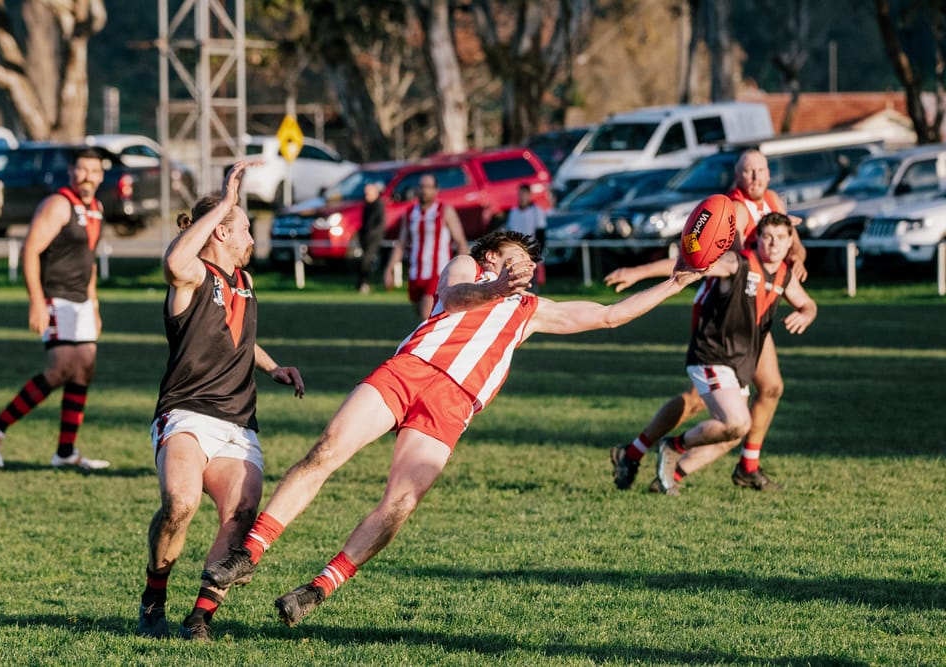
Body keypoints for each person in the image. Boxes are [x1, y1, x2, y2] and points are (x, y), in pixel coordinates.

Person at [200, 230, 703, 627]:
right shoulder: (471, 266)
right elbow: (456, 294)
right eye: (514, 254)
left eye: (529, 262)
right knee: (327, 450)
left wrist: (675, 283)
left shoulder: (532, 311)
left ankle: (318, 588)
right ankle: (250, 554)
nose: (523, 264)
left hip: (453, 403)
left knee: (400, 503)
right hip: (411, 369)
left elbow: (610, 316)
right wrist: (493, 287)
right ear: (493, 255)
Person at [137, 162, 305, 641]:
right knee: (180, 503)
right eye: (245, 230)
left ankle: (200, 617)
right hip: (187, 412)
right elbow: (173, 263)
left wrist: (271, 367)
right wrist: (225, 204)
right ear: (222, 232)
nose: (252, 238)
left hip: (238, 423)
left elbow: (235, 338)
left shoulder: (245, 284)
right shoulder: (192, 276)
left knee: (242, 514)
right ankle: (154, 596)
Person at [606, 149, 808, 492]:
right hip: (723, 310)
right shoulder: (736, 212)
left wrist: (797, 260)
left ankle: (746, 465)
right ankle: (636, 451)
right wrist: (639, 270)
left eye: (760, 170)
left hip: (756, 310)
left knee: (770, 388)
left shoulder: (773, 201)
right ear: (737, 177)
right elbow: (696, 255)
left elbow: (795, 246)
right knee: (699, 402)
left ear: (769, 174)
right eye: (748, 172)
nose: (755, 177)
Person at [652, 213, 817, 495]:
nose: (773, 244)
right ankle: (672, 446)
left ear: (791, 241)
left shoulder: (784, 275)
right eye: (767, 236)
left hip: (738, 363)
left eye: (780, 237)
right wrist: (636, 272)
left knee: (732, 433)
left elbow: (808, 303)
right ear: (758, 239)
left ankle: (671, 475)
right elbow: (698, 266)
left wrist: (806, 314)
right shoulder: (738, 263)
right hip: (712, 355)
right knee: (737, 422)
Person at [0, 147, 111, 470]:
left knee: (84, 368)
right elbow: (31, 251)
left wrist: (94, 304)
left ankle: (65, 452)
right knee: (62, 367)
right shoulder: (58, 204)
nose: (87, 176)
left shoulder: (96, 209)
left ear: (101, 176)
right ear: (72, 173)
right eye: (81, 170)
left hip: (81, 300)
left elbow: (88, 260)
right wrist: (36, 301)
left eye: (93, 171)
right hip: (56, 296)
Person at [383, 173, 469, 320]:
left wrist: (459, 272)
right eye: (421, 186)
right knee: (424, 318)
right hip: (415, 274)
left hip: (438, 274)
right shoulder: (410, 213)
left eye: (428, 187)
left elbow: (461, 242)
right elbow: (401, 244)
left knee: (426, 317)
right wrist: (389, 269)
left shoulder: (444, 211)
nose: (424, 190)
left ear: (436, 190)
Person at [505, 183, 547, 289]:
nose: (522, 197)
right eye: (520, 194)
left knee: (531, 282)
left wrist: (538, 254)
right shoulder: (513, 212)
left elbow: (541, 233)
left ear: (529, 195)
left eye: (524, 194)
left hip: (531, 251)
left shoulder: (536, 211)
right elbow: (510, 233)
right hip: (516, 251)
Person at [356, 181, 386, 294]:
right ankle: (362, 283)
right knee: (364, 261)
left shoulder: (379, 205)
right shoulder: (367, 205)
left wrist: (371, 234)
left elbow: (380, 224)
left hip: (374, 238)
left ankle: (364, 283)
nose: (366, 195)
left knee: (366, 261)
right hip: (366, 238)